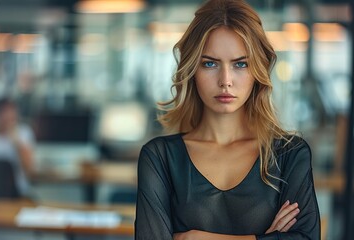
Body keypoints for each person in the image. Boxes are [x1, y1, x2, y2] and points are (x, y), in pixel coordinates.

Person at [135, 0, 320, 239]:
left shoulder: (289, 155)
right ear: (191, 70)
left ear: (258, 71)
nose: (225, 80)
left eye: (240, 64)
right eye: (210, 63)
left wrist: (197, 238)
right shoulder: (160, 158)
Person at [0, 97, 35, 198]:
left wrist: (17, 143)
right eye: (4, 112)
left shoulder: (23, 133)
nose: (8, 117)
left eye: (12, 112)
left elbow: (30, 170)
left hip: (18, 193)